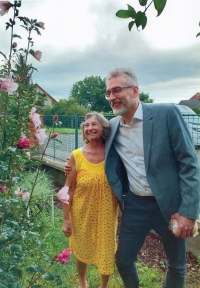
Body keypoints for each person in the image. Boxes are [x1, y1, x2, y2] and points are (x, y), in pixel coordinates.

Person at [65, 68, 200, 288]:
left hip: (170, 206)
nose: (111, 97)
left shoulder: (166, 114)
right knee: (124, 260)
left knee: (176, 264)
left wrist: (188, 212)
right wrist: (72, 164)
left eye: (117, 90)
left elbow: (189, 163)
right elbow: (96, 151)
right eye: (108, 93)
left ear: (135, 90)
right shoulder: (113, 126)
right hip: (135, 205)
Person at [62, 112, 119, 288]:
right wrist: (66, 219)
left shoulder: (114, 154)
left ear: (103, 128)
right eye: (86, 125)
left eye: (94, 124)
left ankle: (104, 285)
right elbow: (68, 189)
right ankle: (82, 282)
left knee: (107, 250)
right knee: (81, 249)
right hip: (81, 212)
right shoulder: (76, 156)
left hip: (107, 214)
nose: (90, 128)